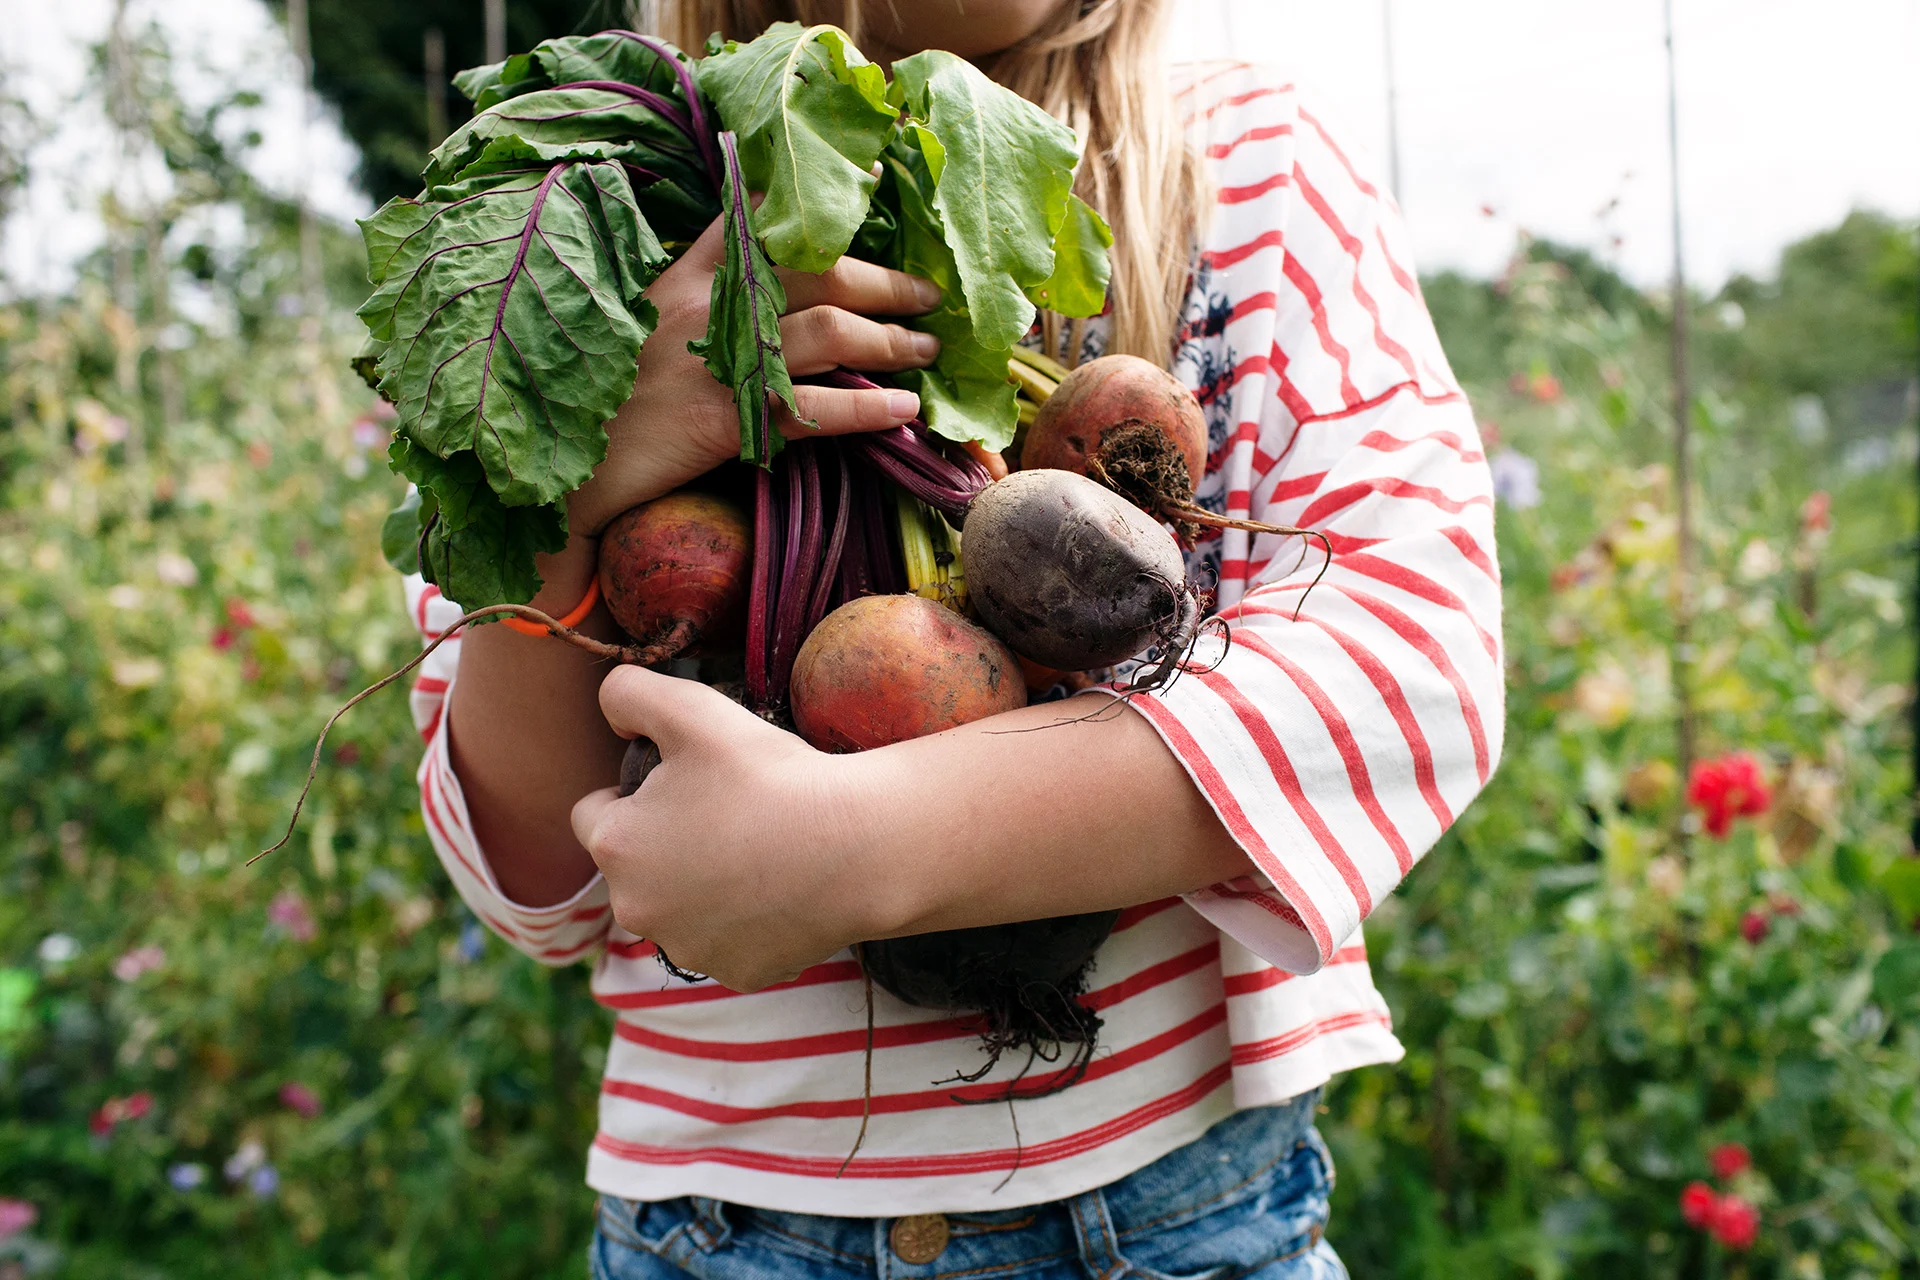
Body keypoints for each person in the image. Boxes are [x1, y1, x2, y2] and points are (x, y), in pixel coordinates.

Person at [403, 1, 1502, 1275]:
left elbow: (1411, 663)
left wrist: (872, 843)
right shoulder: (615, 238)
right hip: (715, 1232)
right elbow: (534, 886)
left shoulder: (1238, 162)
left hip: (1174, 1219)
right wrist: (571, 471)